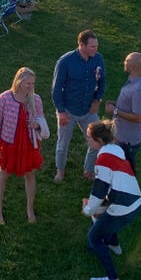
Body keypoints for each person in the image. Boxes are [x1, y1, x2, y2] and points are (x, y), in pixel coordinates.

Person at [81, 120, 141, 280]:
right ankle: (115, 246)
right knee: (107, 217)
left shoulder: (103, 160)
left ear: (99, 140)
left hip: (123, 207)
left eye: (89, 138)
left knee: (93, 238)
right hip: (135, 202)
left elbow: (98, 191)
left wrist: (88, 209)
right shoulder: (117, 149)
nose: (87, 141)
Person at [0, 67, 49, 224]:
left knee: (30, 174)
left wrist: (36, 125)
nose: (31, 86)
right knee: (3, 173)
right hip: (9, 143)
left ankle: (30, 208)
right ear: (19, 81)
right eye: (28, 83)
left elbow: (41, 120)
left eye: (32, 83)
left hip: (28, 143)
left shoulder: (35, 99)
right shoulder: (4, 98)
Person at [51, 30, 106, 182]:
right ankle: (60, 171)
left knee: (98, 139)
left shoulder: (98, 59)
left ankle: (88, 170)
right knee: (63, 143)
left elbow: (102, 82)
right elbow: (56, 89)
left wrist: (97, 100)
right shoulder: (66, 61)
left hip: (88, 110)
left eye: (97, 46)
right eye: (92, 46)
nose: (96, 49)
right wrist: (61, 112)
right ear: (81, 45)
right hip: (69, 110)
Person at [103, 52, 141, 171]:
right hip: (121, 134)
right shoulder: (134, 80)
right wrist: (117, 104)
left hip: (127, 140)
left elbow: (139, 117)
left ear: (132, 67)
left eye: (126, 61)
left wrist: (115, 111)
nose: (124, 63)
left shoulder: (140, 89)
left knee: (125, 170)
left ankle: (126, 189)